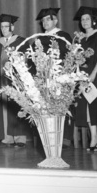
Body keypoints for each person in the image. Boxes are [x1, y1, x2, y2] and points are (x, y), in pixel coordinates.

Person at [73, 6, 97, 151]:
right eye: (82, 19)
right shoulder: (82, 39)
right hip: (85, 75)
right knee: (89, 104)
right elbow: (79, 59)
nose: (84, 22)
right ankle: (94, 137)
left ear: (93, 21)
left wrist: (94, 73)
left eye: (87, 19)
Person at [0, 14, 31, 147]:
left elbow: (27, 61)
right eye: (1, 27)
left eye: (6, 26)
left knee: (16, 106)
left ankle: (19, 138)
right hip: (0, 80)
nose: (4, 29)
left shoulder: (21, 42)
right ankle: (6, 137)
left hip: (16, 81)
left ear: (12, 27)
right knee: (3, 108)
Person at [34, 8, 74, 147]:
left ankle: (64, 137)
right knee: (45, 105)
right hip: (44, 77)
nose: (45, 22)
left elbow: (69, 56)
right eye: (43, 20)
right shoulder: (39, 38)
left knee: (61, 104)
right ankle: (47, 136)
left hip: (59, 76)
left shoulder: (63, 36)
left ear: (55, 20)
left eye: (48, 19)